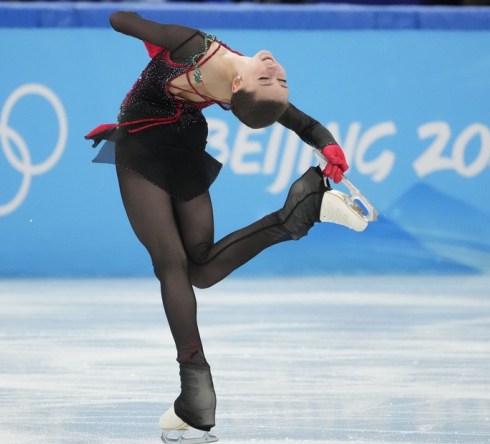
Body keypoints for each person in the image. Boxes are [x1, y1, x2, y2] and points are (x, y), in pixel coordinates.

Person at [85, 11, 363, 441]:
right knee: (199, 268)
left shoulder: (191, 45)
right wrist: (327, 145)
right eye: (277, 81)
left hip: (144, 146)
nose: (275, 73)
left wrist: (139, 29)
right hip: (180, 144)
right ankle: (297, 214)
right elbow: (305, 125)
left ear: (236, 91)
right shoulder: (216, 65)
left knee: (173, 266)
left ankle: (196, 393)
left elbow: (123, 21)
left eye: (271, 81)